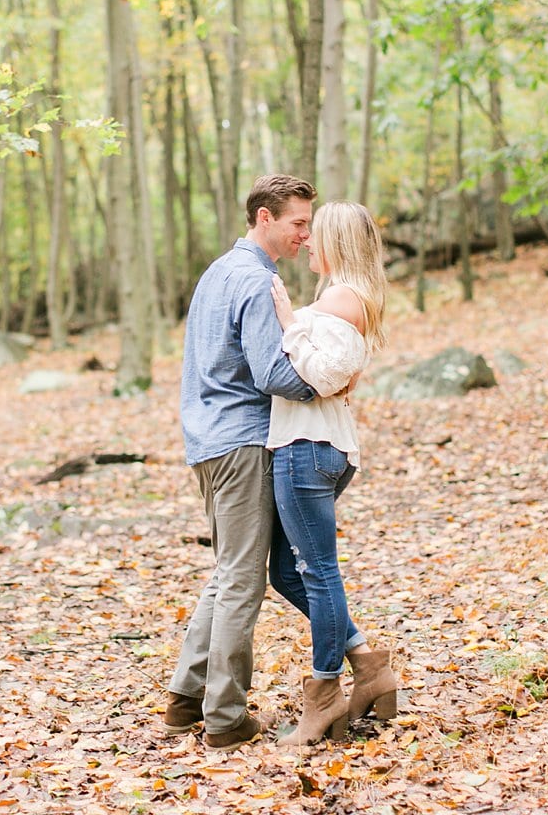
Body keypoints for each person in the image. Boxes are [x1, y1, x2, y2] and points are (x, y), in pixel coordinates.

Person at [163, 174, 319, 750]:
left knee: (229, 572)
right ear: (264, 219)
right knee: (242, 582)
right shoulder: (254, 281)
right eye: (297, 222)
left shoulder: (217, 272)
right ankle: (226, 719)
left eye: (307, 223)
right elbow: (272, 374)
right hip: (243, 442)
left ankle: (185, 698)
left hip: (207, 441)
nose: (305, 234)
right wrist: (327, 380)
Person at [266, 201, 398, 746]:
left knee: (318, 574)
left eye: (315, 235)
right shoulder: (342, 298)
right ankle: (368, 665)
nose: (307, 244)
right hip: (317, 445)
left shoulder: (341, 297)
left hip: (308, 447)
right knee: (289, 574)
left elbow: (322, 376)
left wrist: (287, 322)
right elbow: (337, 373)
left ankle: (324, 697)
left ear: (338, 242)